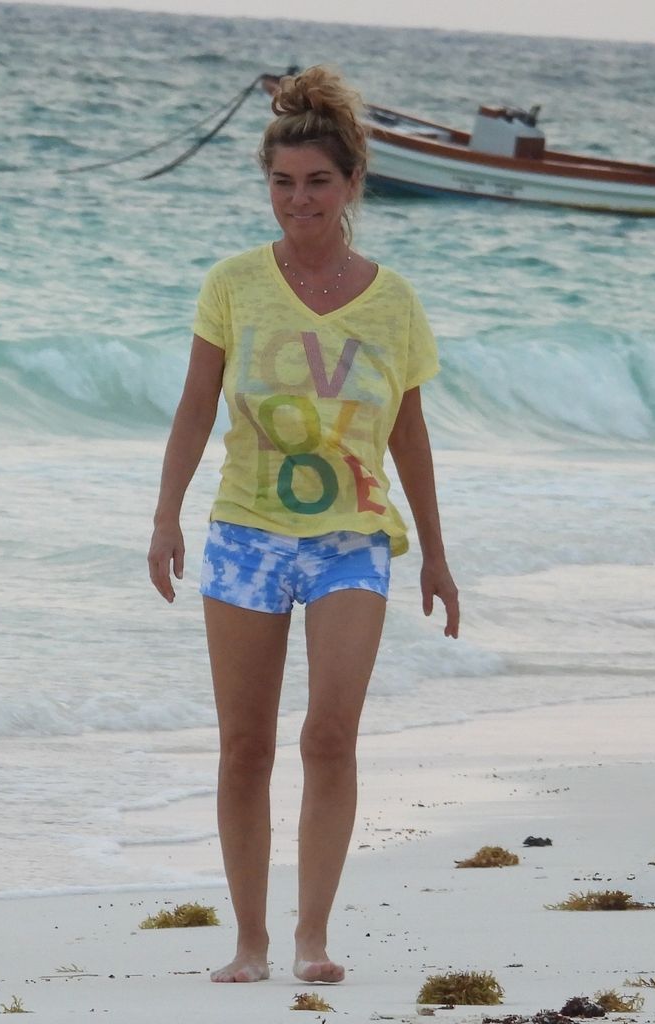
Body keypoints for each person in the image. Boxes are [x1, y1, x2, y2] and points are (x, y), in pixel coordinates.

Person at [147, 65, 459, 985]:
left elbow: (408, 430)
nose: (298, 200)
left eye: (317, 181)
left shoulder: (392, 300)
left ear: (353, 183)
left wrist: (436, 553)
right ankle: (250, 943)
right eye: (281, 182)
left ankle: (313, 938)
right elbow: (195, 408)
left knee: (329, 735)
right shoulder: (233, 284)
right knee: (243, 746)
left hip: (352, 540)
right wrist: (164, 516)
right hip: (243, 534)